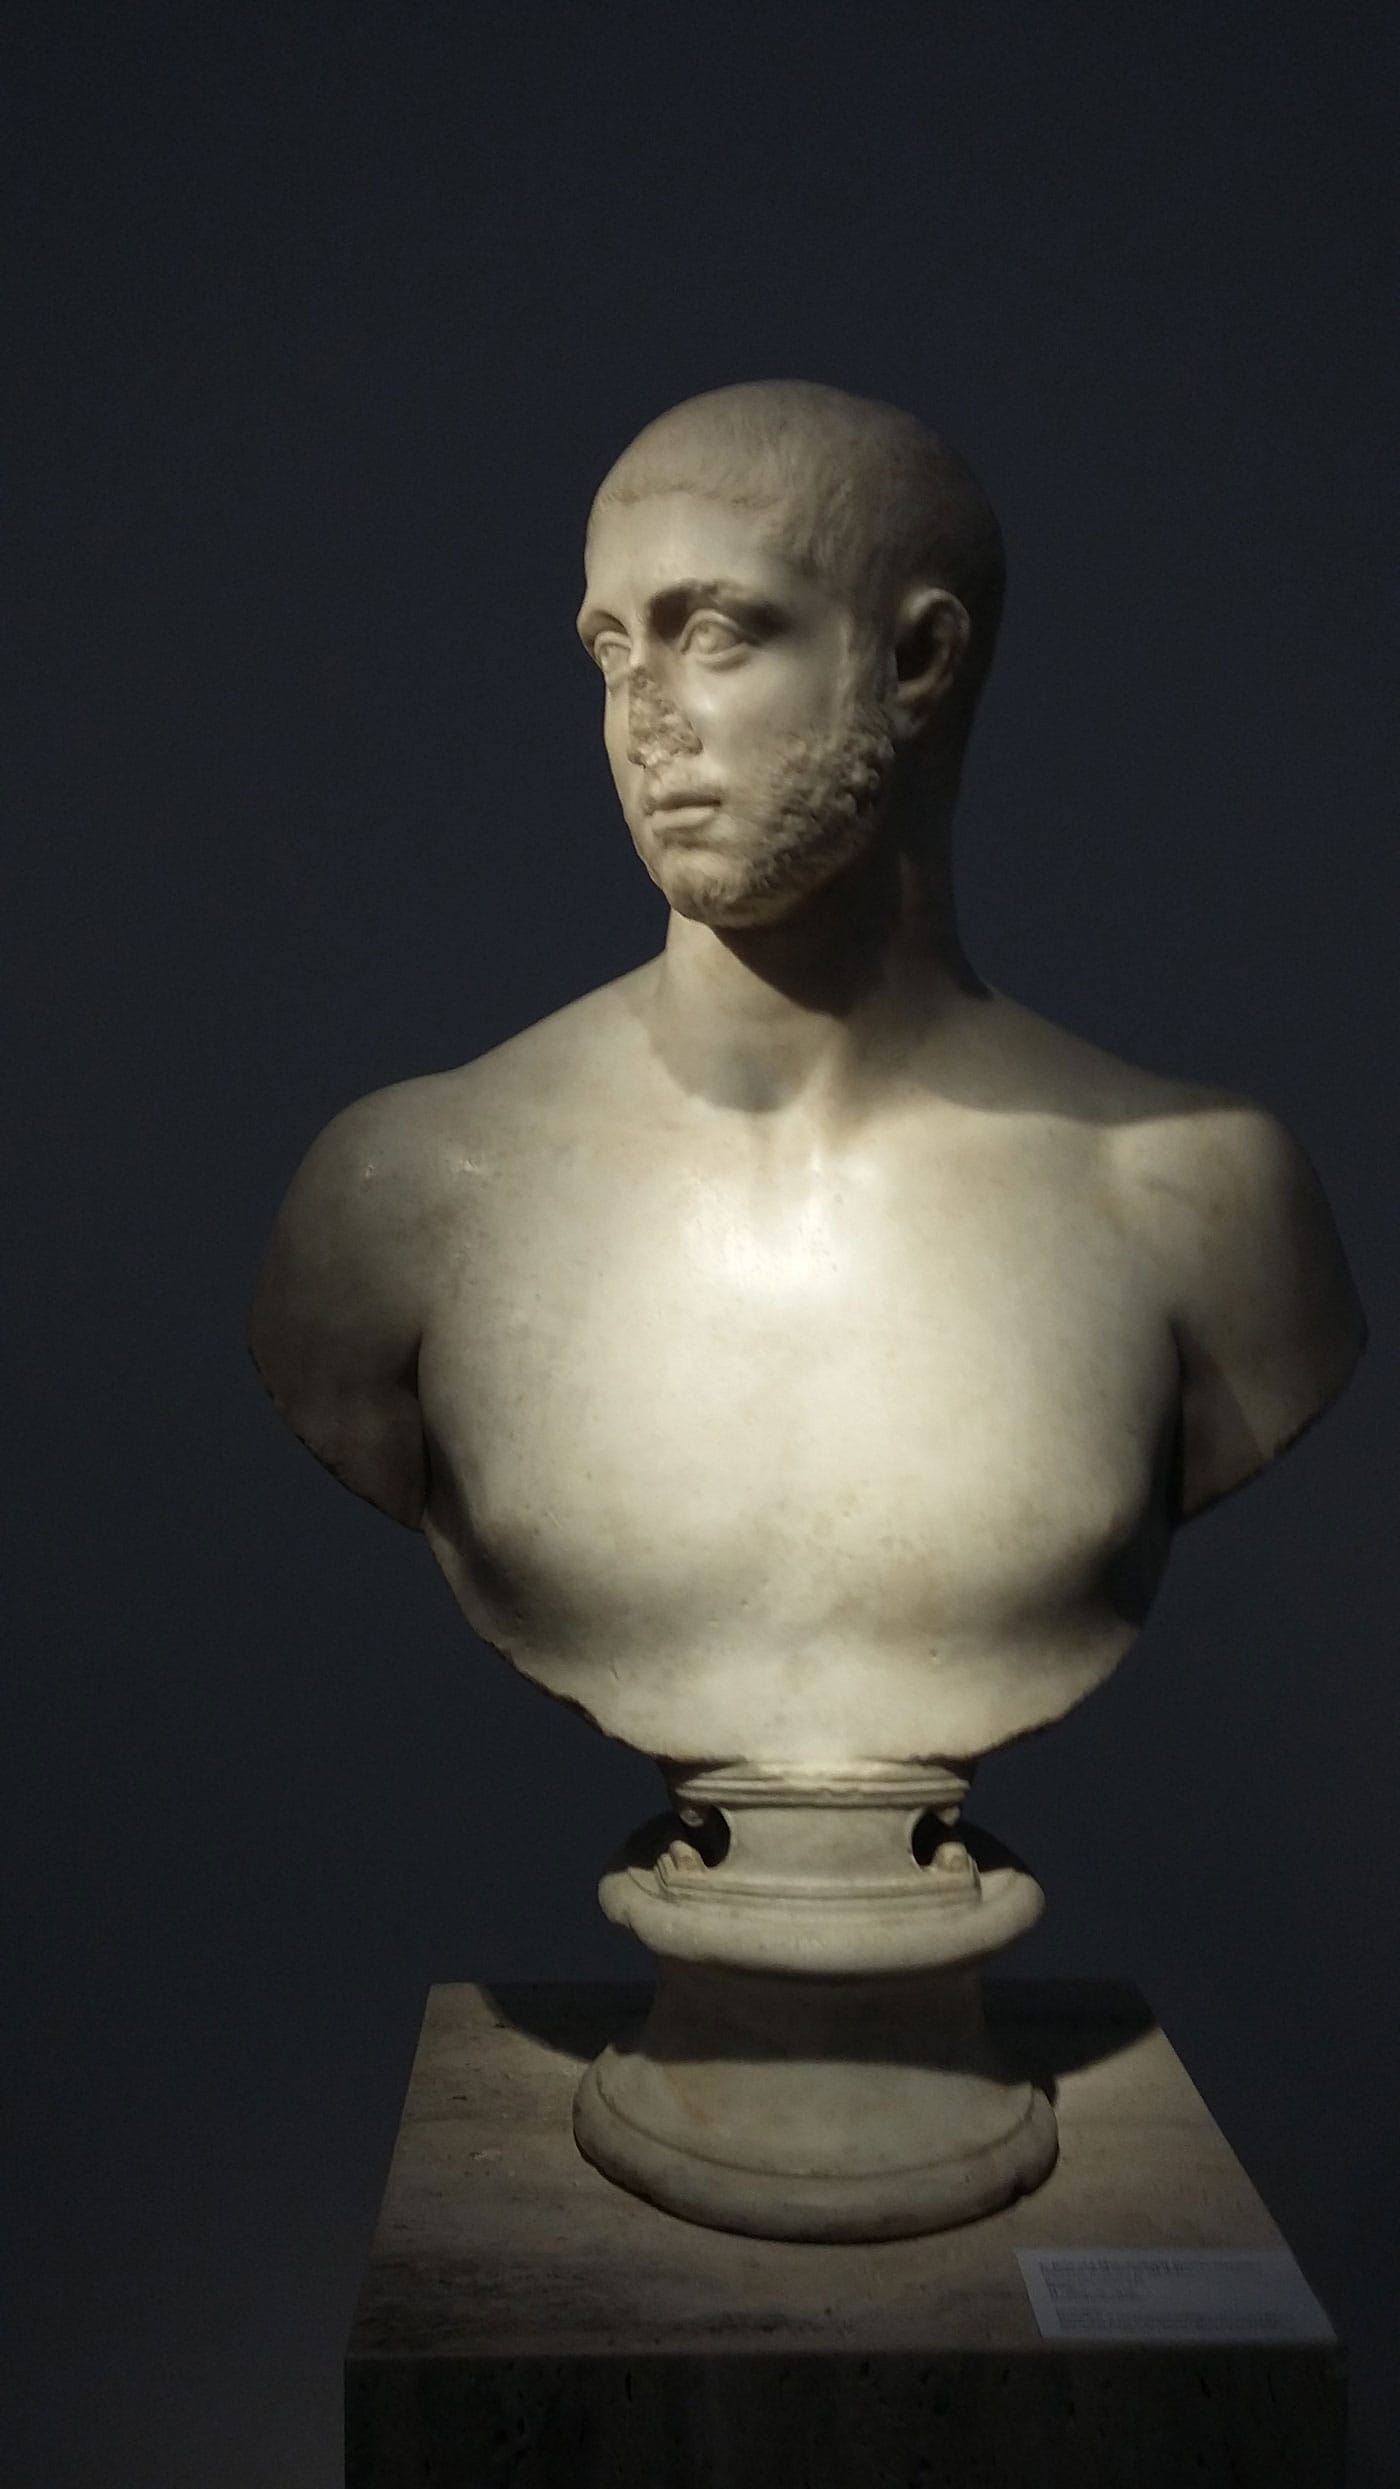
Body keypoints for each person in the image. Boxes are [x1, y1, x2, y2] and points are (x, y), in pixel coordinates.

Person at [249, 381, 1363, 1771]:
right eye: (608, 651)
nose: (646, 717)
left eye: (715, 633)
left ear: (916, 663)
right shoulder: (407, 1193)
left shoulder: (1199, 1197)